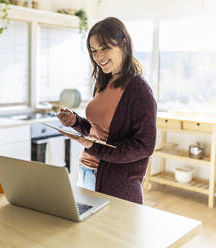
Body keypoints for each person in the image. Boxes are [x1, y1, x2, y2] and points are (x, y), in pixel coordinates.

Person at [57, 17, 157, 204]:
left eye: (105, 48)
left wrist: (94, 148)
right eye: (94, 51)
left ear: (123, 44)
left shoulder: (139, 90)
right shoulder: (103, 82)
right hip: (86, 171)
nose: (99, 56)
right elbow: (99, 131)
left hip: (116, 184)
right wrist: (76, 122)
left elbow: (144, 146)